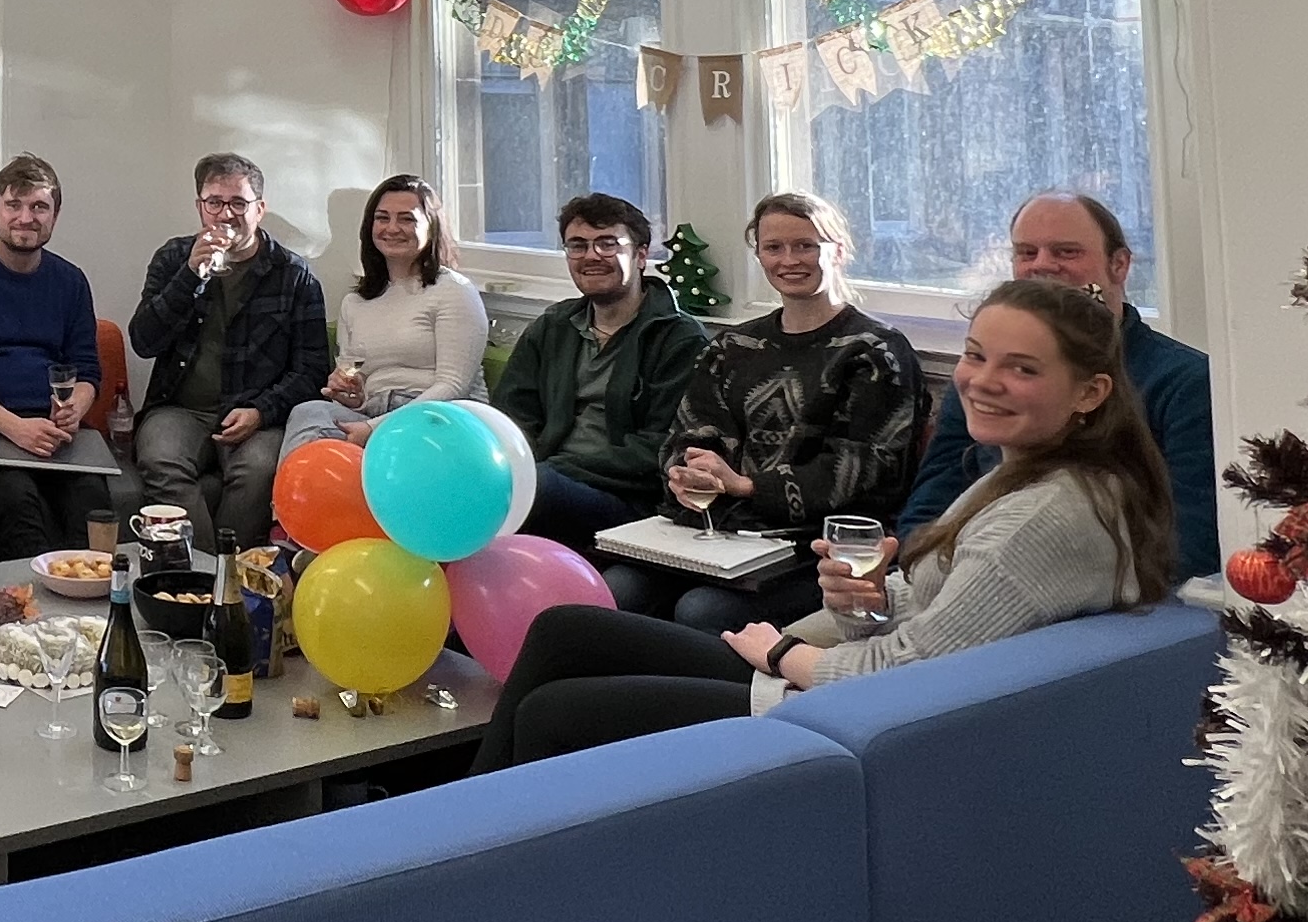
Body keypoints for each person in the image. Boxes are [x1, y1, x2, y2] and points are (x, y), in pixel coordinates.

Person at [471, 279, 1173, 773]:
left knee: (556, 712)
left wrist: (784, 653)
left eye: (1022, 369)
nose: (982, 380)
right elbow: (947, 615)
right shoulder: (1025, 471)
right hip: (843, 683)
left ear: (1090, 392)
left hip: (843, 714)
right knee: (567, 629)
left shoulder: (1044, 515)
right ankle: (452, 829)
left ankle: (476, 860)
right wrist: (867, 600)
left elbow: (912, 674)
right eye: (975, 354)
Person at [619, 193, 928, 629]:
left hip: (818, 549)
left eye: (805, 246)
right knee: (620, 587)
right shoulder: (733, 346)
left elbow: (862, 473)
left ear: (838, 251)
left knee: (702, 610)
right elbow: (688, 433)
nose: (789, 260)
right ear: (759, 255)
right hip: (722, 535)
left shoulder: (875, 352)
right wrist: (687, 475)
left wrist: (746, 486)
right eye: (774, 247)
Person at [892, 191, 1220, 579]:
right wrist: (913, 576)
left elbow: (1191, 546)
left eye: (1066, 252)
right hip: (953, 576)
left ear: (1119, 264)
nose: (1042, 265)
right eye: (1026, 253)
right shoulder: (982, 377)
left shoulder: (1184, 383)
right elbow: (926, 512)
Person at [124, 152, 332, 548]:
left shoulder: (294, 275)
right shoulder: (174, 258)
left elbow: (313, 370)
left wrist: (262, 411)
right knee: (159, 458)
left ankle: (227, 568)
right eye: (215, 202)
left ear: (260, 209)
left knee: (259, 469)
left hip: (256, 414)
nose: (226, 214)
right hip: (179, 409)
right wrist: (189, 276)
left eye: (238, 203)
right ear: (200, 207)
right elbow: (143, 341)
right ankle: (205, 571)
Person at [492, 194, 713, 549]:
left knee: (525, 490)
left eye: (608, 244)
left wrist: (552, 470)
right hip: (545, 476)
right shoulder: (552, 326)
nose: (591, 256)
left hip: (630, 498)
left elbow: (663, 445)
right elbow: (511, 416)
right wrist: (517, 464)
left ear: (641, 255)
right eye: (577, 245)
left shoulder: (679, 338)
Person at [0, 156, 121, 556]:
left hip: (53, 426)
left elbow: (87, 370)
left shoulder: (71, 281)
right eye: (13, 205)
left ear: (55, 216)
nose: (25, 218)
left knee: (91, 503)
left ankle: (85, 595)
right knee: (18, 501)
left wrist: (74, 408)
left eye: (39, 207)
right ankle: (29, 598)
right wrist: (15, 428)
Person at [274, 173, 490, 462]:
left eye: (407, 219)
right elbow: (355, 379)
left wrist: (375, 428)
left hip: (438, 418)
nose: (392, 228)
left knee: (327, 444)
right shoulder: (355, 302)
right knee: (308, 413)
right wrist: (351, 395)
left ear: (432, 226)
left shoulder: (453, 290)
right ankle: (293, 493)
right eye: (382, 218)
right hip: (372, 411)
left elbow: (453, 386)